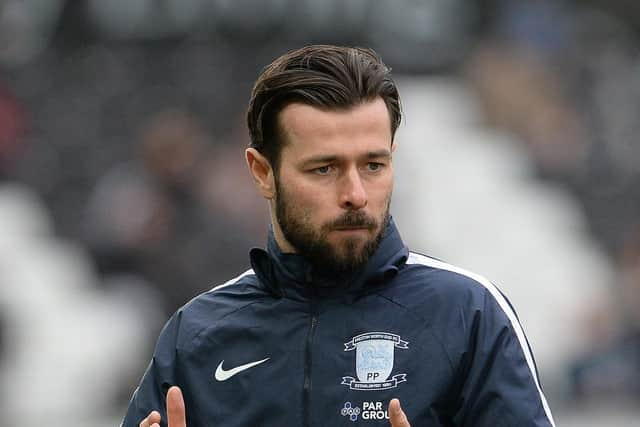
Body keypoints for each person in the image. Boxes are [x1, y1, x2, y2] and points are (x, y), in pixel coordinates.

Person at [122, 45, 556, 427]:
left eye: (373, 165)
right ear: (262, 172)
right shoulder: (198, 333)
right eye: (324, 168)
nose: (355, 194)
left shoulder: (468, 315)